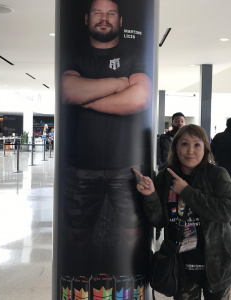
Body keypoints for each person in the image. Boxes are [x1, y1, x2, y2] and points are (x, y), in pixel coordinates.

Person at [60, 0, 152, 275]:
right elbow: (68, 90)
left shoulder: (134, 53)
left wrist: (86, 98)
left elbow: (140, 98)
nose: (104, 18)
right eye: (98, 13)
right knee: (77, 235)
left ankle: (131, 284)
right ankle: (80, 282)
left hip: (127, 166)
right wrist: (117, 84)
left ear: (120, 21)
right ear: (87, 18)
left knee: (134, 234)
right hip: (80, 165)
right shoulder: (74, 54)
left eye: (111, 13)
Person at [133, 124, 231, 300]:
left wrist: (186, 191)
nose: (190, 151)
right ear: (175, 148)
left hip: (217, 265)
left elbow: (226, 213)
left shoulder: (218, 175)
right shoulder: (165, 178)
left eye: (197, 144)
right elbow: (159, 221)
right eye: (184, 144)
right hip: (181, 267)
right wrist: (150, 196)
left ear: (205, 148)